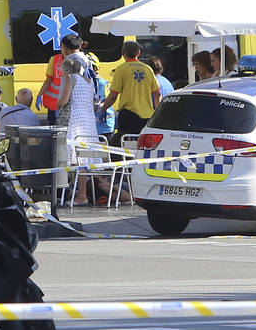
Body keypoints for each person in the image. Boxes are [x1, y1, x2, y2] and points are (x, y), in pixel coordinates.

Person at [59, 56, 104, 206]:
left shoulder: (70, 78)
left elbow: (64, 100)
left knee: (75, 158)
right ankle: (79, 192)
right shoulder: (89, 81)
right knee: (83, 157)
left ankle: (81, 194)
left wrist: (56, 104)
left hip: (74, 119)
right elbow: (93, 103)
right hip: (88, 121)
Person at [99, 41, 162, 145]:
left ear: (123, 52)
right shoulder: (148, 69)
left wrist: (103, 109)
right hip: (147, 117)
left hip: (128, 116)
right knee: (143, 145)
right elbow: (157, 93)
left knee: (125, 146)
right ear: (138, 53)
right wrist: (158, 113)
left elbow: (113, 95)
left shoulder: (121, 69)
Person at [36, 35, 87, 124]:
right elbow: (48, 80)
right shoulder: (85, 60)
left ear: (64, 47)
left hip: (66, 106)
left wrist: (59, 105)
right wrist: (40, 95)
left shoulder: (69, 63)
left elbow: (67, 90)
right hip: (58, 104)